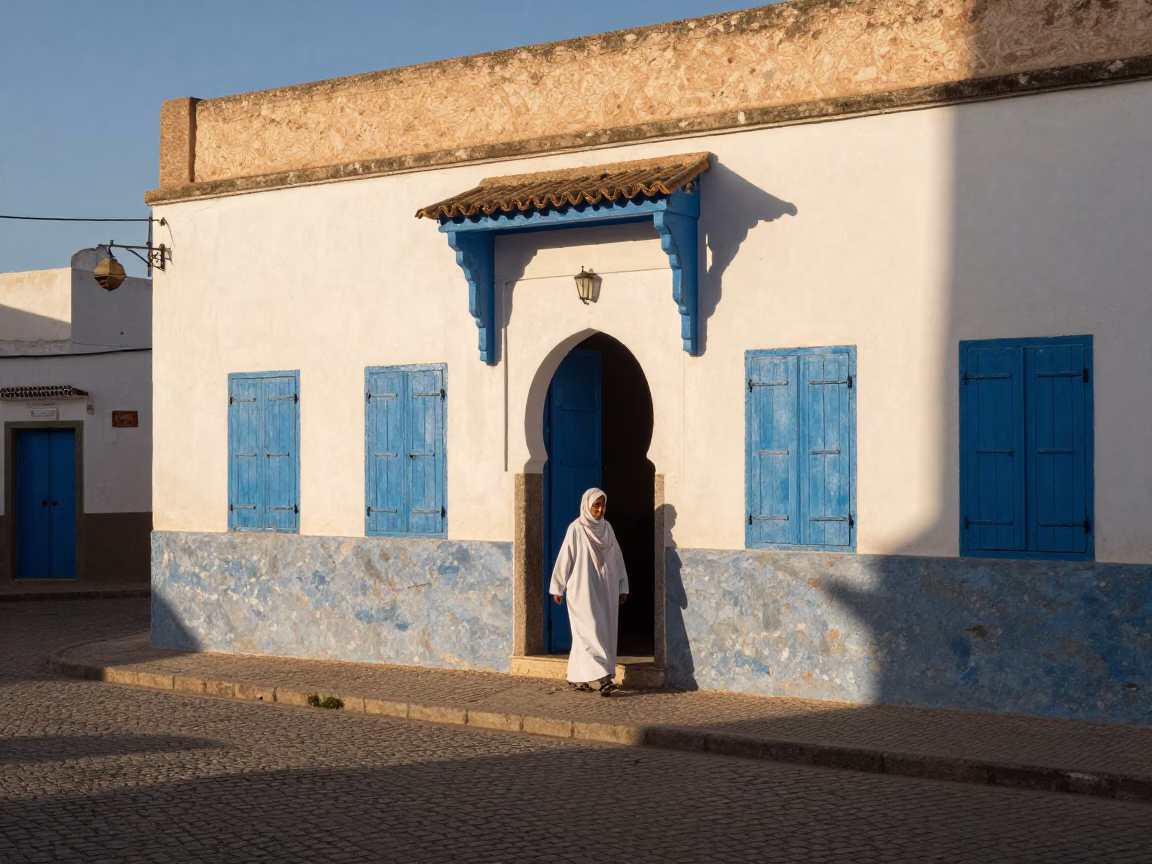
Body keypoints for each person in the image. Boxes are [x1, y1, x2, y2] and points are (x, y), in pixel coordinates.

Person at [549, 487, 629, 696]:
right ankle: (603, 679)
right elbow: (565, 557)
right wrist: (558, 586)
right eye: (596, 505)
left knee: (596, 632)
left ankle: (576, 677)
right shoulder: (576, 528)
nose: (600, 510)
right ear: (587, 505)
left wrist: (622, 585)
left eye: (603, 505)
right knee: (590, 631)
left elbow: (617, 558)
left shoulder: (607, 528)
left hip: (606, 589)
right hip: (582, 590)